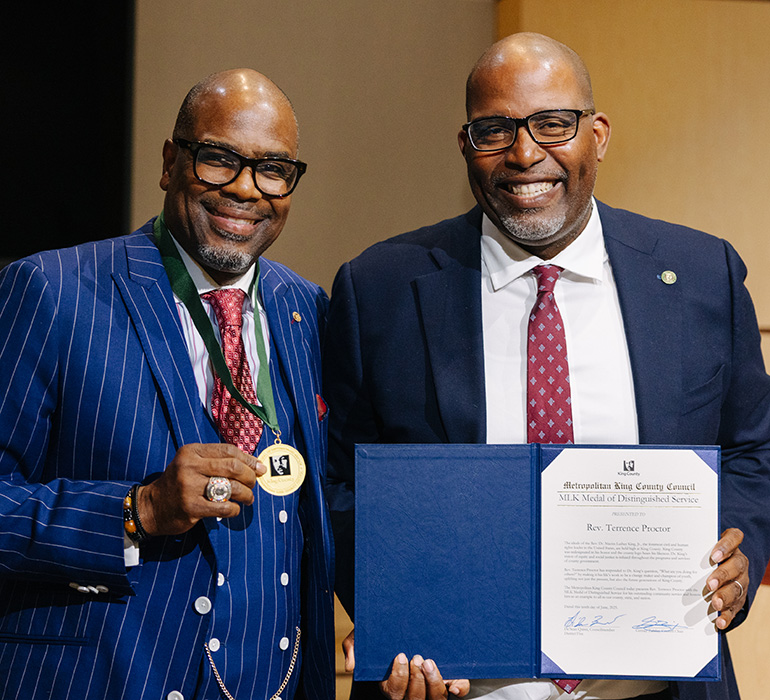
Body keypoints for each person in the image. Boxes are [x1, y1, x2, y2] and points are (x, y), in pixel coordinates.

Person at [323, 32, 770, 700]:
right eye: (494, 130)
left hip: (657, 685)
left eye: (553, 124)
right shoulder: (380, 287)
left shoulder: (703, 273)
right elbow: (341, 480)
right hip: (454, 687)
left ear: (599, 134)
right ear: (466, 145)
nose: (525, 154)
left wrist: (740, 550)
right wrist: (396, 609)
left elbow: (751, 451)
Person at [0, 69, 334, 700]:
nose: (244, 189)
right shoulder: (51, 290)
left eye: (273, 169)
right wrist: (138, 511)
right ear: (169, 162)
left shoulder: (307, 311)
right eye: (218, 160)